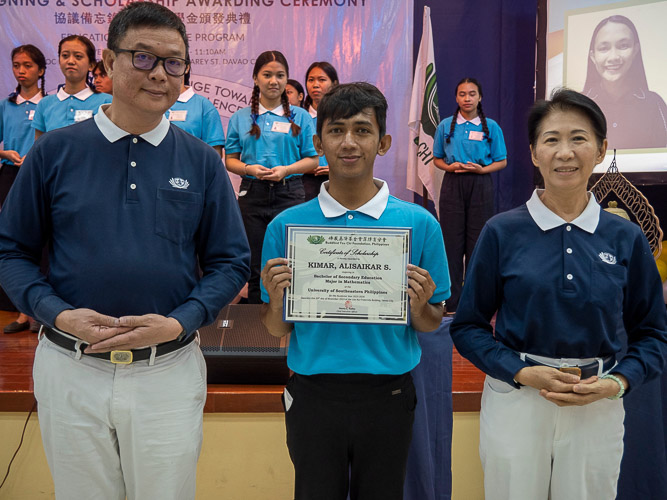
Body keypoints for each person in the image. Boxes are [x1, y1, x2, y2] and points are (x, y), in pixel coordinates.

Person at [0, 3, 250, 499]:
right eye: (143, 58)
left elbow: (230, 263)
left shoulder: (201, 161)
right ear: (109, 64)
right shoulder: (54, 152)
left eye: (174, 62)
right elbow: (12, 253)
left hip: (168, 372)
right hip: (70, 368)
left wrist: (182, 321)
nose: (159, 74)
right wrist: (57, 314)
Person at [450, 88, 667, 500]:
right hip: (517, 396)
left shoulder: (625, 237)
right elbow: (468, 326)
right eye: (551, 140)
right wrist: (520, 371)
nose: (565, 152)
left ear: (601, 150)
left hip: (597, 400)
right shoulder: (502, 231)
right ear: (533, 153)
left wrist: (617, 383)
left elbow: (654, 334)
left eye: (579, 138)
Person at [260, 82, 451, 500]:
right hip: (312, 391)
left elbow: (432, 320)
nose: (349, 143)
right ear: (317, 141)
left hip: (389, 393)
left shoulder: (419, 225)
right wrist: (276, 302)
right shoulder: (286, 227)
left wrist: (419, 306)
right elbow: (276, 329)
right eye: (337, 130)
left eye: (362, 131)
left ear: (382, 142)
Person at [225, 50, 318, 303]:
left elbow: (313, 160)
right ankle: (257, 324)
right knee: (255, 263)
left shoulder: (300, 117)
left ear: (287, 79)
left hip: (291, 193)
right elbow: (230, 160)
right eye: (267, 75)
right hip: (251, 194)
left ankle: (292, 319)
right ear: (256, 78)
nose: (273, 81)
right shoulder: (240, 117)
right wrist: (249, 169)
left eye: (280, 75)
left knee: (293, 261)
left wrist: (286, 170)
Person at [433, 77, 507, 314]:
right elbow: (437, 159)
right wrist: (449, 167)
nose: (467, 99)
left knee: (477, 243)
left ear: (480, 97)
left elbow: (502, 161)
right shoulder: (445, 125)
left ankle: (475, 303)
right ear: (456, 98)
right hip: (453, 184)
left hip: (480, 184)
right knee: (452, 244)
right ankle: (451, 303)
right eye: (462, 94)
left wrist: (482, 169)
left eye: (472, 94)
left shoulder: (491, 126)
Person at [0, 44, 46, 333]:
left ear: (41, 70)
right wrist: (5, 154)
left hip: (40, 175)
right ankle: (21, 313)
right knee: (15, 241)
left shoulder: (50, 104)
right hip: (10, 175)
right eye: (17, 65)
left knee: (44, 240)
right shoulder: (6, 105)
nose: (21, 70)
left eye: (28, 65)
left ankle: (42, 310)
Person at [583, 15, 667, 149]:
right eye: (604, 48)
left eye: (623, 46)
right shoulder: (576, 106)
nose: (613, 57)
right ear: (593, 56)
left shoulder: (655, 104)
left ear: (635, 51)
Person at [32, 35, 111, 138]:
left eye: (78, 56)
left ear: (91, 65)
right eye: (65, 55)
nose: (70, 61)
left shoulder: (107, 102)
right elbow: (39, 147)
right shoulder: (44, 104)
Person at [301, 61, 339, 201]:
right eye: (311, 80)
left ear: (334, 84)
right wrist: (304, 167)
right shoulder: (299, 117)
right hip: (304, 181)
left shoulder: (344, 117)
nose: (315, 85)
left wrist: (336, 168)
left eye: (322, 80)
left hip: (338, 180)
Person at [167, 67, 225, 156]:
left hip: (188, 168)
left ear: (186, 67)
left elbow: (214, 155)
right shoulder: (148, 104)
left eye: (173, 62)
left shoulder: (204, 106)